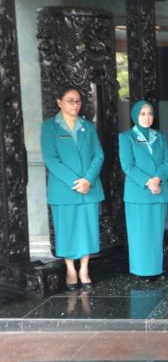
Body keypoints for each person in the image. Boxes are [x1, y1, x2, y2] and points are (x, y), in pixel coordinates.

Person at [41, 85, 104, 289]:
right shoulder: (49, 127)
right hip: (64, 190)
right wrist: (74, 182)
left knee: (87, 228)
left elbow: (98, 155)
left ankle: (84, 268)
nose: (75, 105)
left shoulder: (88, 127)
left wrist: (88, 179)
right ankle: (70, 268)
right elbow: (51, 159)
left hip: (89, 188)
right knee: (66, 229)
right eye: (70, 100)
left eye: (78, 101)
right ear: (59, 102)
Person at [119, 100, 168, 279]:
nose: (147, 117)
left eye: (150, 114)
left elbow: (166, 160)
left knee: (156, 233)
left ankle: (156, 269)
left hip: (159, 191)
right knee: (140, 234)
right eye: (143, 114)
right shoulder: (126, 137)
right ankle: (141, 270)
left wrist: (158, 179)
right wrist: (149, 182)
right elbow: (128, 166)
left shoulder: (159, 136)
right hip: (138, 193)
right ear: (135, 116)